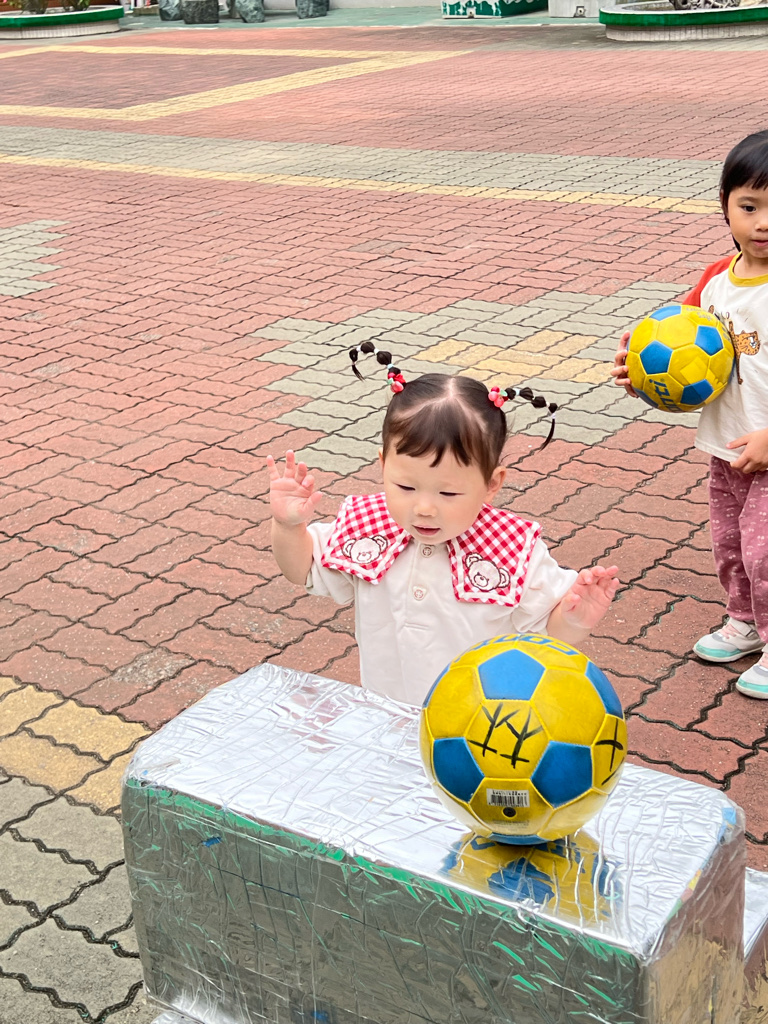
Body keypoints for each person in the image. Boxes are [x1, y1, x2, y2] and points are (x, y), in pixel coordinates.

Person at [268, 345, 620, 706]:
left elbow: (547, 632)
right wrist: (288, 526)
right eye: (405, 487)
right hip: (387, 716)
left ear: (492, 483)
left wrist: (576, 618)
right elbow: (303, 569)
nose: (424, 508)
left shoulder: (512, 549)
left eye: (448, 493)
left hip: (478, 726)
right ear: (383, 464)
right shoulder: (368, 526)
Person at [612, 130, 768, 699]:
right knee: (729, 543)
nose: (763, 223)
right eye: (749, 207)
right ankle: (745, 621)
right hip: (726, 446)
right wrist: (641, 372)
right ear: (726, 206)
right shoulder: (716, 279)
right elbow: (677, 344)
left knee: (765, 551)